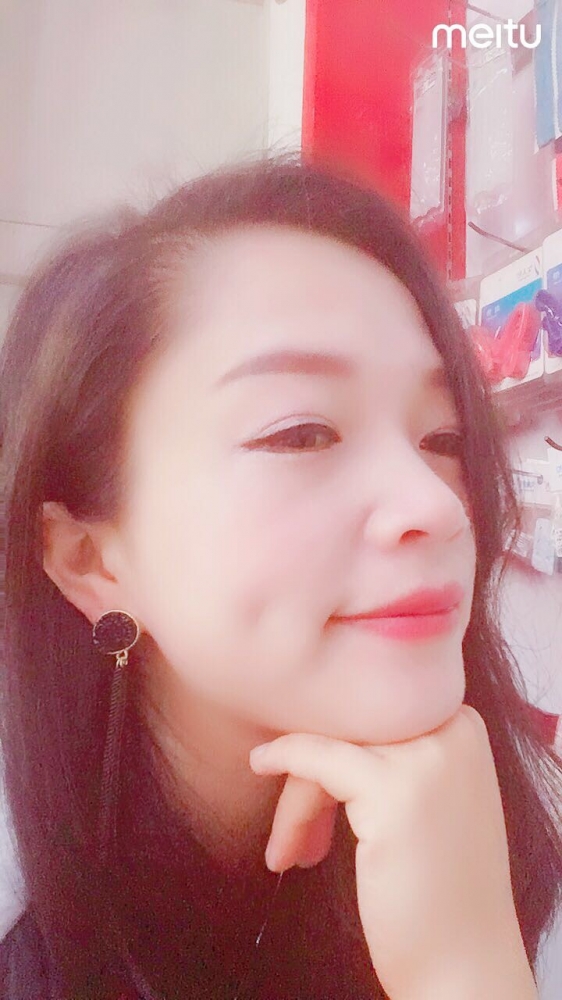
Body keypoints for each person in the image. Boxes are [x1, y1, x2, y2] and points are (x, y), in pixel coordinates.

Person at [0, 156, 560, 1000]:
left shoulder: (488, 845)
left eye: (442, 439)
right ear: (92, 559)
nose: (437, 505)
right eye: (301, 434)